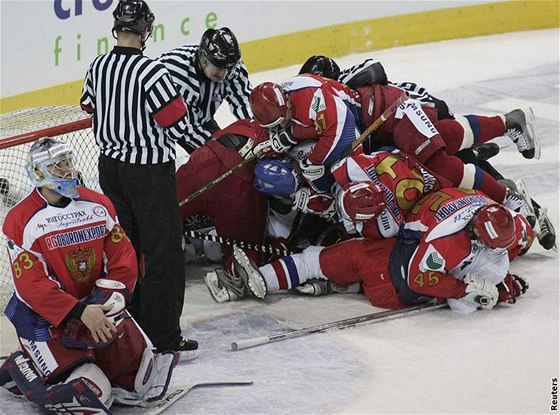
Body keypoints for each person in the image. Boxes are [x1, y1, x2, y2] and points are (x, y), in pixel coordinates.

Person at [0, 138, 178, 413]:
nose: (67, 170)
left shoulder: (97, 204)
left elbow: (122, 257)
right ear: (38, 173)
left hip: (95, 305)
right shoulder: (20, 220)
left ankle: (95, 361)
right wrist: (80, 311)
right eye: (57, 166)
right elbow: (30, 285)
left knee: (137, 383)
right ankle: (20, 369)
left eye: (67, 162)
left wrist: (112, 299)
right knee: (91, 392)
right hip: (46, 319)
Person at [249, 74, 539, 227]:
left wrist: (311, 160)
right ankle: (509, 122)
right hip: (380, 127)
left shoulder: (312, 98)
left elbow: (343, 135)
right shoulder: (281, 104)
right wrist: (270, 144)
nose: (283, 122)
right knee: (447, 137)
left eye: (284, 116)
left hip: (388, 113)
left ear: (285, 99)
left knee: (442, 167)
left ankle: (506, 194)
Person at [80, 0, 197, 355]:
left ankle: (127, 328)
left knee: (124, 250)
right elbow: (177, 122)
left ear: (117, 28)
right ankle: (162, 335)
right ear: (147, 31)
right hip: (147, 173)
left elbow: (88, 105)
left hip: (110, 169)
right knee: (163, 254)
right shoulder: (152, 73)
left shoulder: (98, 65)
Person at [229, 188, 532, 313]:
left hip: (390, 276)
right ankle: (343, 285)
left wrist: (462, 290)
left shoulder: (471, 214)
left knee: (316, 260)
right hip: (402, 262)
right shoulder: (466, 235)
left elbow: (418, 279)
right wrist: (469, 288)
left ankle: (260, 281)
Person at [159, 27, 253, 154]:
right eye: (218, 68)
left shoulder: (231, 66)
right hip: (161, 123)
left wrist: (256, 132)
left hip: (200, 117)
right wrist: (218, 148)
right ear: (203, 57)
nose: (223, 74)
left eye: (227, 68)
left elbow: (244, 102)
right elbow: (186, 129)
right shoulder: (176, 76)